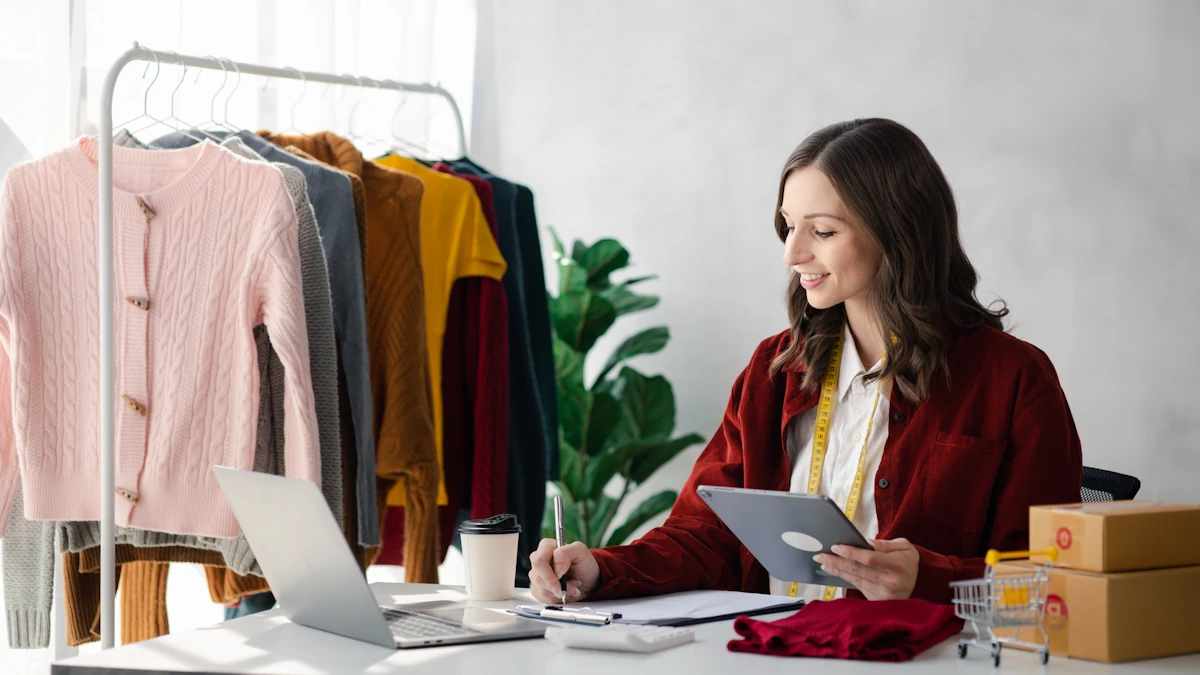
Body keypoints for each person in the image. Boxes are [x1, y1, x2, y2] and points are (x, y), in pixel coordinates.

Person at [529, 118, 1083, 606]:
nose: (792, 255)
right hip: (765, 648)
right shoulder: (776, 369)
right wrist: (604, 568)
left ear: (898, 232)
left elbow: (1052, 581)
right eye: (788, 226)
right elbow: (706, 537)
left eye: (822, 231)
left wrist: (928, 579)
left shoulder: (1012, 380)